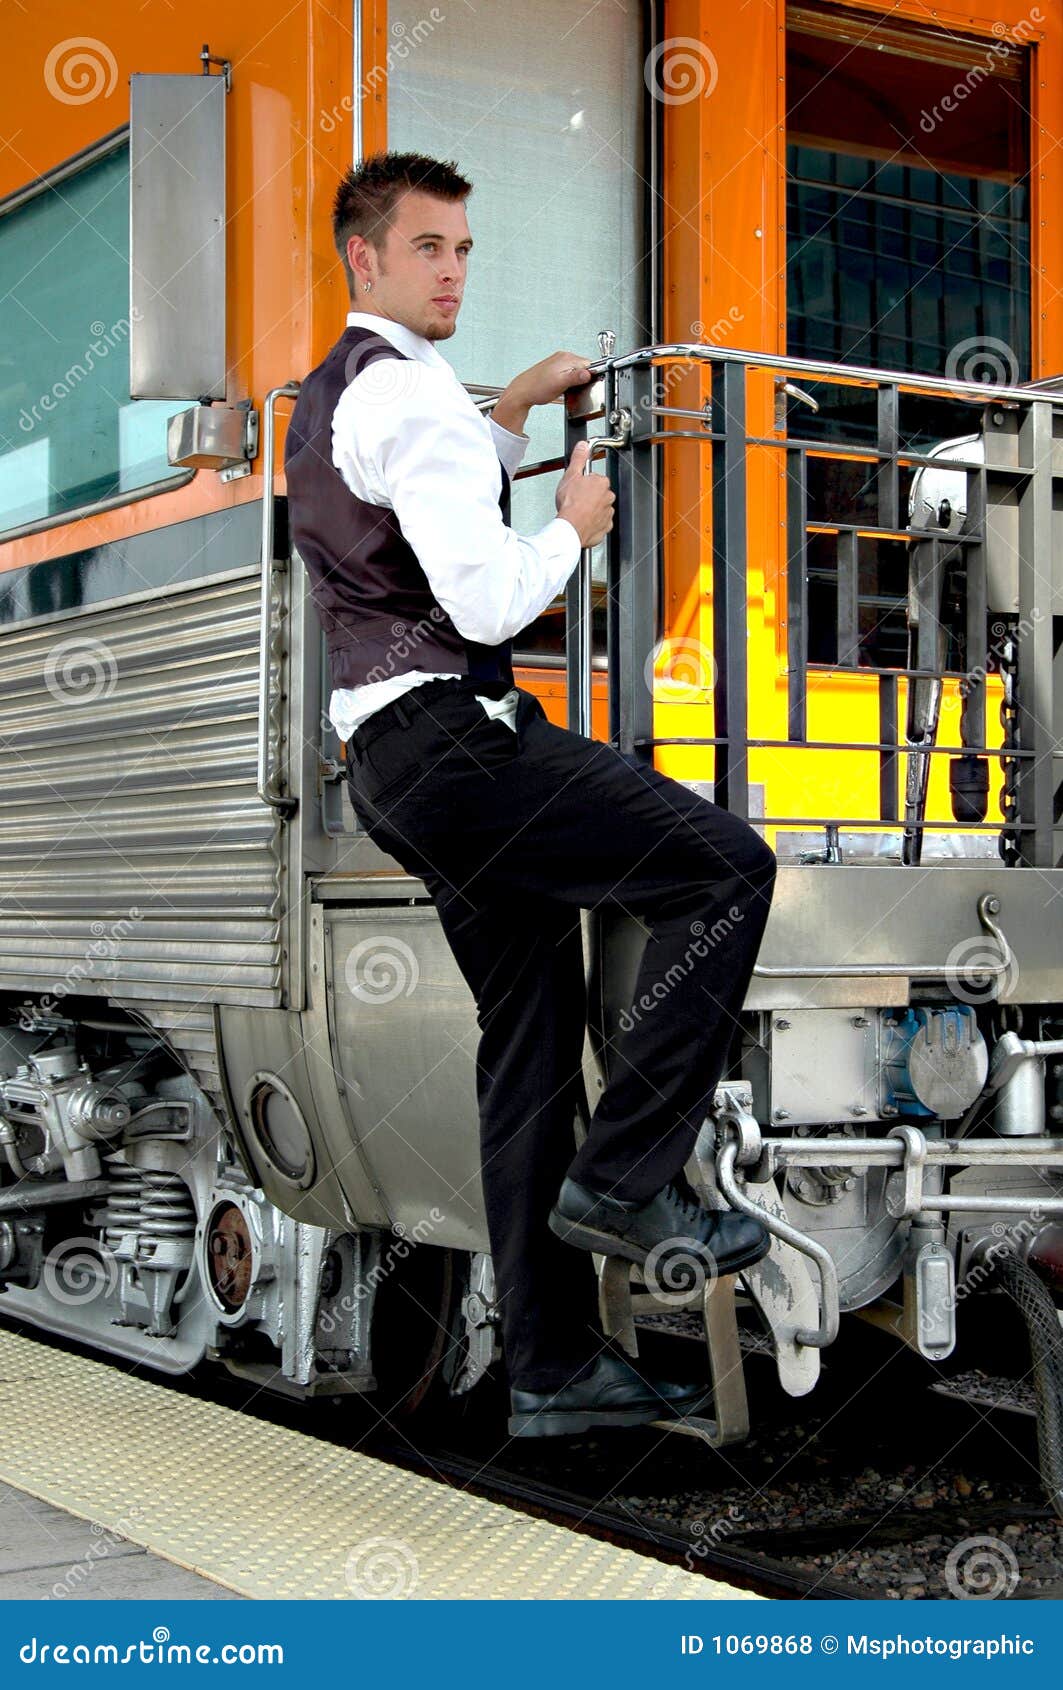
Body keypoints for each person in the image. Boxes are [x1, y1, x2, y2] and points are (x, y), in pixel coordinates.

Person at [284, 151, 775, 1438]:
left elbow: (405, 507)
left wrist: (505, 415)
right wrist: (573, 520)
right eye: (430, 249)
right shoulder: (419, 403)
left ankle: (552, 1368)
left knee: (528, 1035)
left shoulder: (338, 397)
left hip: (390, 765)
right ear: (367, 259)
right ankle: (625, 1181)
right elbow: (487, 598)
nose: (453, 270)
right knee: (726, 869)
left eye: (463, 249)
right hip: (457, 742)